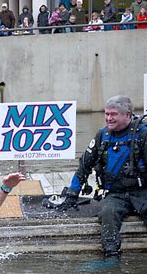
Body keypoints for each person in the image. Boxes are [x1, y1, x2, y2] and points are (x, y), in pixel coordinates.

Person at [53, 96, 147, 258]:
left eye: (114, 114)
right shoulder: (102, 136)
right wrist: (72, 194)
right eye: (107, 114)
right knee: (107, 213)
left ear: (127, 115)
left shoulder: (142, 135)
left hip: (142, 191)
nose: (109, 118)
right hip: (116, 194)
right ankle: (111, 254)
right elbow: (84, 166)